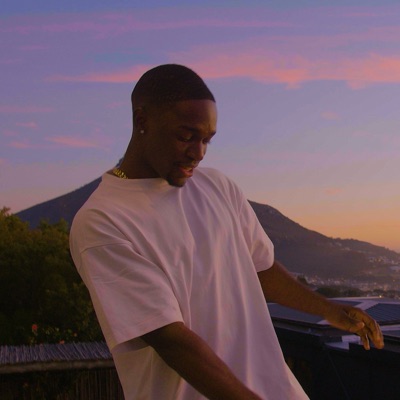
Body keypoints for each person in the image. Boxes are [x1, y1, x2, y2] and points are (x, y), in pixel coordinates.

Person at [69, 64, 384, 400]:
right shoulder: (102, 221)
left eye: (206, 140)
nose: (198, 153)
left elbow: (261, 269)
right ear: (142, 120)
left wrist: (329, 310)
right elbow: (170, 339)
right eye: (186, 136)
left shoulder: (217, 186)